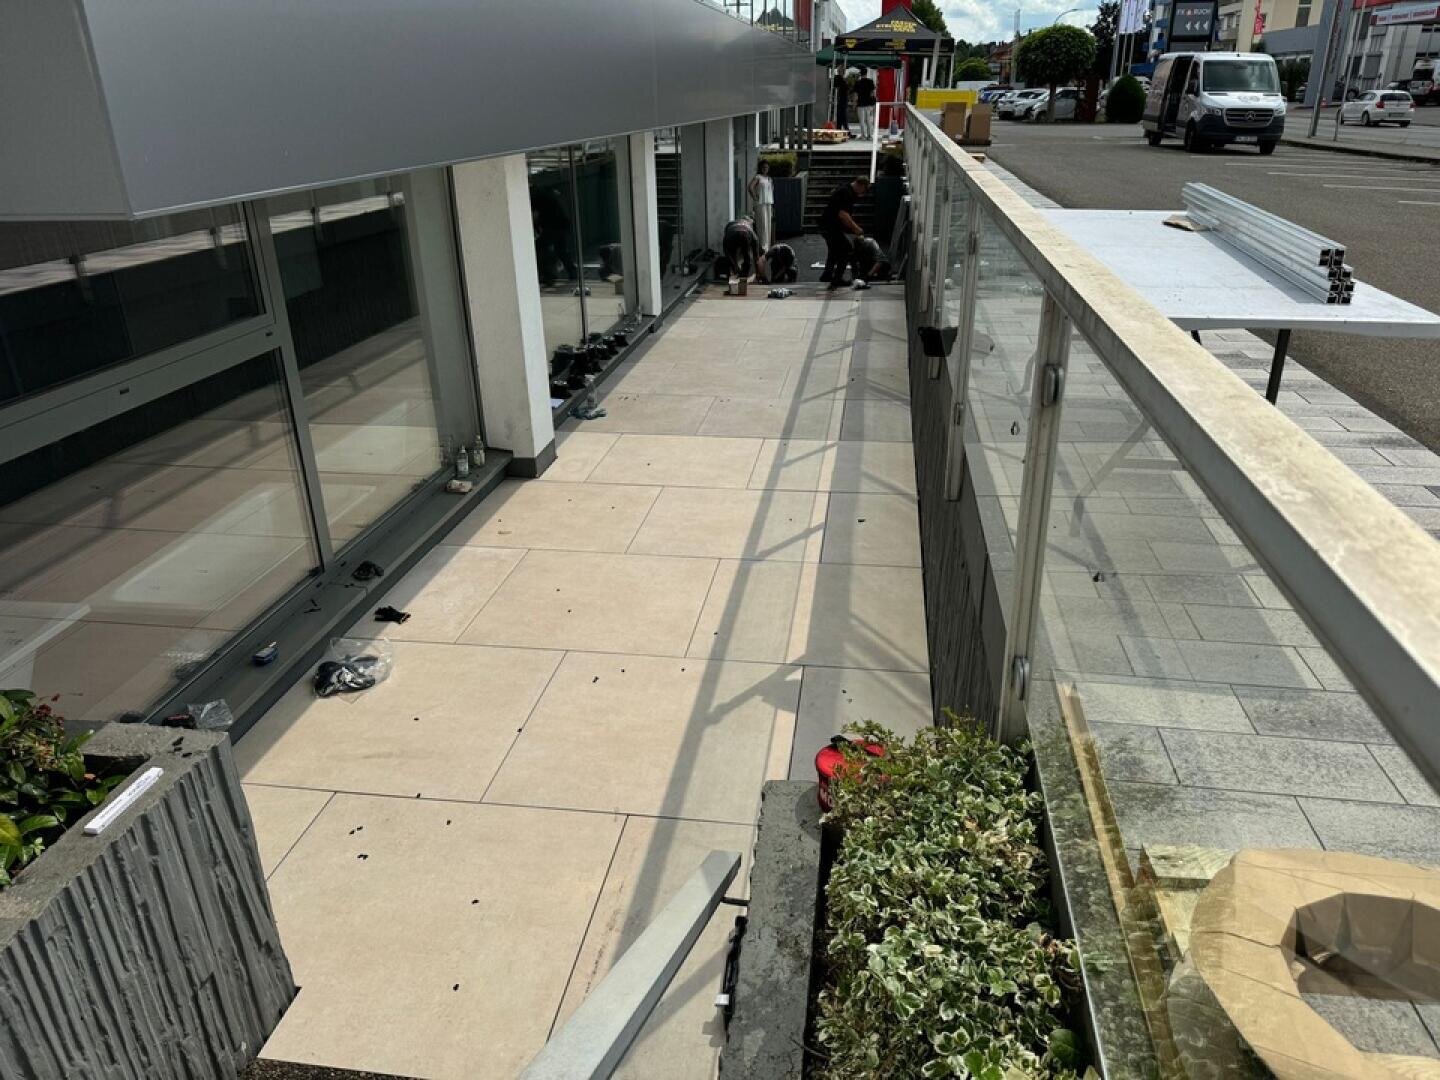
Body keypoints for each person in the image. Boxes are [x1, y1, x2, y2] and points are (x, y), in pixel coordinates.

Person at [819, 176, 869, 291]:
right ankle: (837, 279)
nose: (862, 194)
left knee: (834, 250)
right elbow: (843, 214)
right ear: (860, 185)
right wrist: (856, 228)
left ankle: (827, 274)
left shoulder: (844, 188)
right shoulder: (847, 193)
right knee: (846, 249)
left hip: (826, 225)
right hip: (831, 226)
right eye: (864, 190)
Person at [721, 216, 763, 281]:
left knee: (729, 256)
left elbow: (727, 250)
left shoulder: (731, 223)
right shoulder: (751, 229)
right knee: (747, 259)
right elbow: (756, 256)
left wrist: (734, 265)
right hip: (745, 235)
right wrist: (758, 272)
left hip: (730, 235)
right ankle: (743, 279)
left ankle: (734, 275)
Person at [747, 160, 775, 250]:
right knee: (762, 225)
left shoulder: (769, 179)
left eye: (766, 167)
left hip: (768, 204)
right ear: (760, 168)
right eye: (763, 167)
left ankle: (767, 247)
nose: (765, 169)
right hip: (760, 204)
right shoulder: (758, 177)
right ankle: (762, 247)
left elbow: (771, 192)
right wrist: (755, 197)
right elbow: (750, 187)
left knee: (768, 226)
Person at [855, 67, 877, 139]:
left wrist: (855, 103)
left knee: (862, 121)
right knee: (868, 120)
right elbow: (873, 93)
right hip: (869, 104)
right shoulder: (870, 81)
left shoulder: (858, 82)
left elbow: (855, 94)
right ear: (866, 73)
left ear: (860, 74)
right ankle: (870, 136)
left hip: (860, 103)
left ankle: (863, 135)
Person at [833, 68, 851, 135]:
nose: (843, 72)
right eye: (842, 71)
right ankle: (846, 131)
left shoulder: (842, 79)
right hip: (841, 99)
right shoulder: (838, 78)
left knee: (841, 117)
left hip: (843, 99)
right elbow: (837, 87)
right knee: (843, 116)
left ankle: (840, 130)